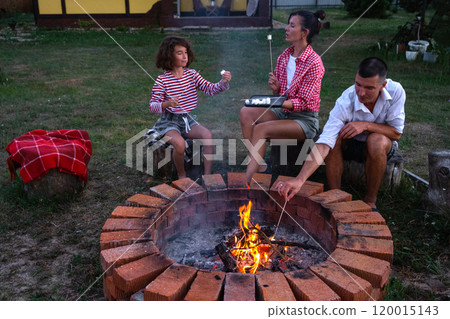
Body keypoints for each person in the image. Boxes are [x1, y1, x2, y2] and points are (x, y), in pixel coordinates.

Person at [276, 57, 406, 210]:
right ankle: (335, 195)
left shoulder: (396, 91)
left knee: (376, 140)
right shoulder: (345, 101)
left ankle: (370, 200)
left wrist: (365, 125)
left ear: (382, 85)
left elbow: (396, 133)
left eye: (369, 88)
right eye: (358, 84)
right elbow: (324, 144)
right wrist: (299, 180)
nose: (361, 93)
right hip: (349, 143)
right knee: (334, 138)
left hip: (379, 145)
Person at [239, 10, 325, 185]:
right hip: (283, 112)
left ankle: (247, 182)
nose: (286, 28)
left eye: (292, 25)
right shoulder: (284, 57)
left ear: (304, 32)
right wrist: (277, 90)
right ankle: (259, 164)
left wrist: (278, 101)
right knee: (246, 112)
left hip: (304, 120)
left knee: (261, 130)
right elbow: (281, 97)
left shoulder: (314, 63)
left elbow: (303, 103)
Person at [149, 36, 231, 178]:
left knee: (207, 135)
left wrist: (223, 83)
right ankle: (182, 175)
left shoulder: (192, 75)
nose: (184, 56)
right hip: (169, 122)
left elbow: (210, 89)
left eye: (185, 52)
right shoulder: (162, 80)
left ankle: (207, 175)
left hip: (188, 119)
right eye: (179, 53)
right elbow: (152, 106)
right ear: (169, 55)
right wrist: (166, 104)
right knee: (179, 144)